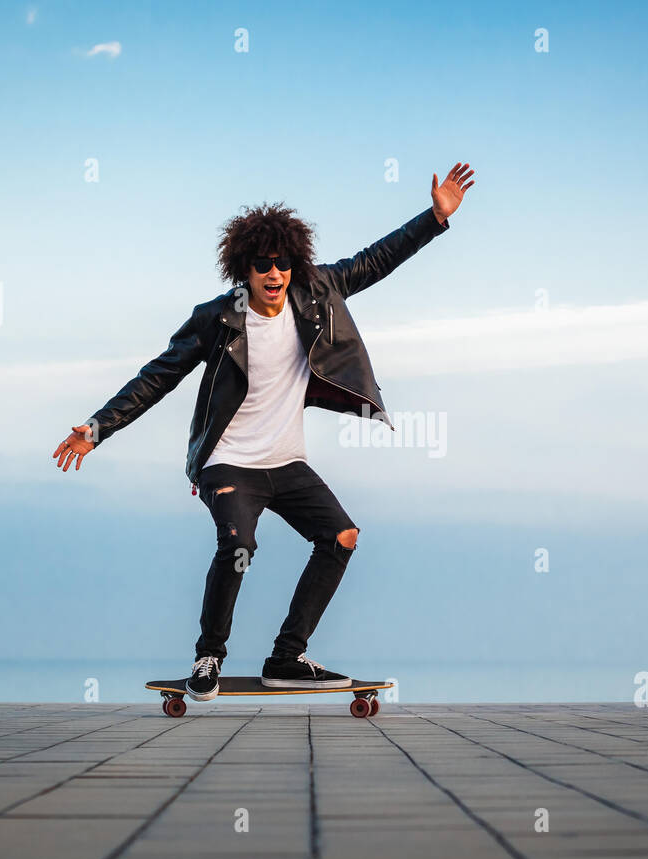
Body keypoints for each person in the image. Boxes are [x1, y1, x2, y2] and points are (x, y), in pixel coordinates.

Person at [52, 163, 476, 701]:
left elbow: (375, 261)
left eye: (282, 264)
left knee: (342, 536)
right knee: (239, 545)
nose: (274, 274)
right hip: (227, 461)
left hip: (286, 462)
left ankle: (287, 657)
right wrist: (97, 427)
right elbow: (158, 375)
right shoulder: (217, 319)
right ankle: (209, 656)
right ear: (243, 270)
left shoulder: (315, 290)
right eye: (262, 265)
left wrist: (435, 218)